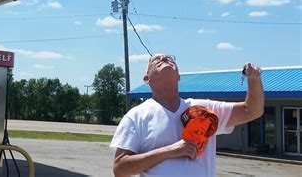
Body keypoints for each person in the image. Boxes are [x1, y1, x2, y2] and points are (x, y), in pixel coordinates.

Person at [111, 54, 264, 177]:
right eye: (156, 60)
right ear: (147, 79)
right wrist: (169, 151)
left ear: (179, 76)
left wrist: (254, 80)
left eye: (170, 58)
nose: (164, 58)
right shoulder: (136, 116)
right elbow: (120, 169)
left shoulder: (205, 109)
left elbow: (251, 111)